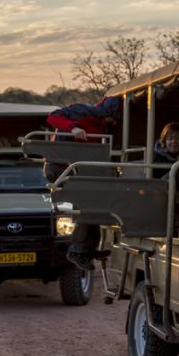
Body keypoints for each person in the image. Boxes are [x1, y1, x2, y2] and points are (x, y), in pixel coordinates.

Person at [45, 96, 122, 270]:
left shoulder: (102, 125)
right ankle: (77, 250)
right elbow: (53, 117)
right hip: (59, 168)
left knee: (93, 206)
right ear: (107, 113)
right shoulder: (82, 111)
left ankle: (88, 249)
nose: (115, 123)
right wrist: (73, 129)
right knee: (86, 207)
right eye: (114, 118)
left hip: (76, 170)